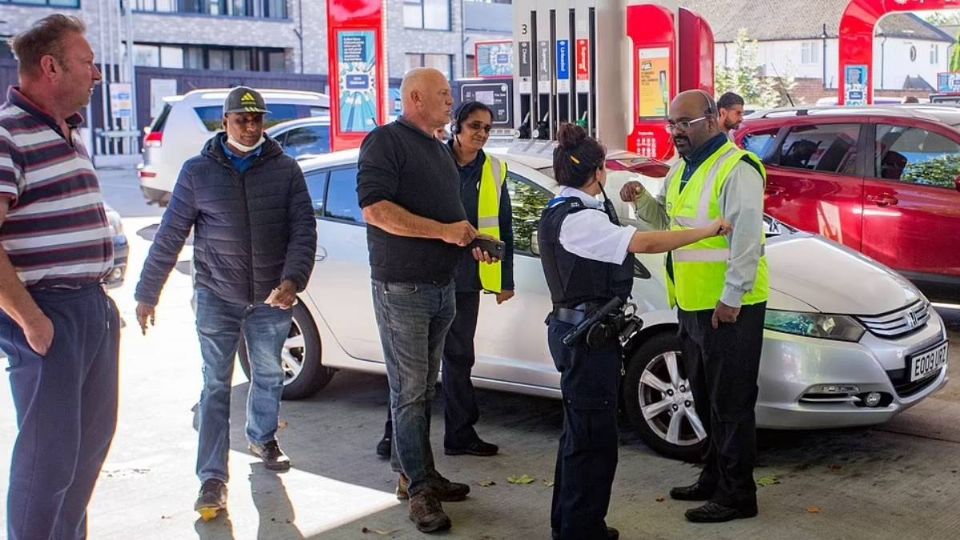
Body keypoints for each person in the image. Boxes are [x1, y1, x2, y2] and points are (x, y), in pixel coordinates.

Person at [541, 123, 731, 540]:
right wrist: (709, 229)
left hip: (586, 335)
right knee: (593, 443)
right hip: (586, 342)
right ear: (598, 172)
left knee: (582, 438)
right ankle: (580, 530)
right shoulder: (577, 220)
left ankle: (573, 524)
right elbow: (643, 244)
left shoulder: (572, 211)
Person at [135, 86, 316, 521]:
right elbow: (171, 233)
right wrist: (147, 291)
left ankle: (262, 436)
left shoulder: (286, 170)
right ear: (224, 121)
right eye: (242, 120)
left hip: (273, 299)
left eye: (257, 120)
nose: (251, 127)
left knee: (269, 374)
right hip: (217, 295)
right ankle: (212, 478)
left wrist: (293, 281)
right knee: (215, 385)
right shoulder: (198, 172)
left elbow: (303, 231)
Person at [357, 68, 495, 534]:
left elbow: (448, 217)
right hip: (403, 289)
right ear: (415, 97)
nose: (449, 101)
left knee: (421, 390)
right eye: (442, 94)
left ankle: (417, 474)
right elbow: (376, 211)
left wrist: (470, 239)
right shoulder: (385, 142)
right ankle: (420, 491)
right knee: (411, 391)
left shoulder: (438, 149)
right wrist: (442, 231)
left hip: (442, 286)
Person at [620, 90, 768, 523]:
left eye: (684, 123)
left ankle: (738, 494)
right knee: (702, 398)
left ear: (712, 120)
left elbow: (745, 240)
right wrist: (641, 201)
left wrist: (732, 298)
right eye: (671, 124)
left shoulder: (737, 168)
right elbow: (666, 225)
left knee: (731, 404)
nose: (676, 132)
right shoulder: (680, 168)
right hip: (691, 304)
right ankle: (713, 475)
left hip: (729, 307)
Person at [0, 15, 118, 540]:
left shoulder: (65, 130)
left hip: (90, 308)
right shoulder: (7, 134)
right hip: (48, 311)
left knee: (85, 453)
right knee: (48, 462)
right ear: (51, 66)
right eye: (88, 62)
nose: (96, 74)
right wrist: (31, 319)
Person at [375, 101, 514, 460]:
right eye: (474, 126)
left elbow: (504, 226)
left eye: (486, 128)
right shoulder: (432, 158)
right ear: (456, 127)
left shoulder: (496, 169)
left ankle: (460, 434)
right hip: (427, 274)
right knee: (414, 370)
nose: (481, 134)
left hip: (467, 278)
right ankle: (395, 439)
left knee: (459, 358)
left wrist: (505, 279)